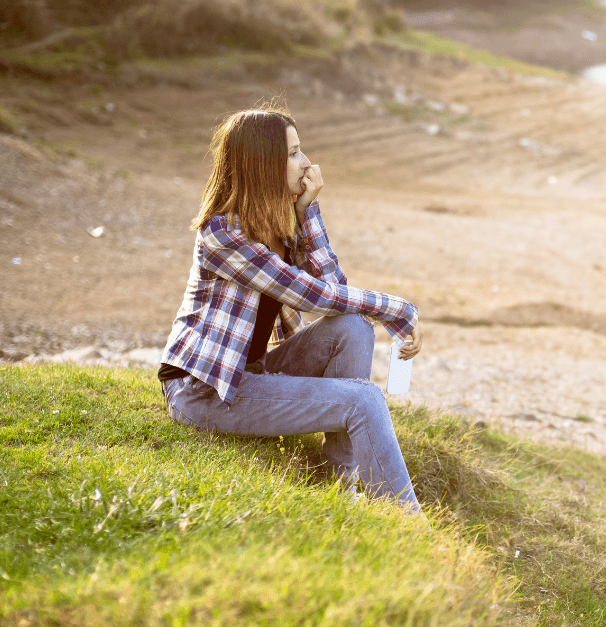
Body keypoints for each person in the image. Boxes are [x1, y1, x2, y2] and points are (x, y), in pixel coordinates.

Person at [158, 107, 424, 515]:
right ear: (263, 164)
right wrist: (398, 311)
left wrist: (305, 212)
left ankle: (339, 487)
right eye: (294, 153)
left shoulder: (274, 224)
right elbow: (309, 294)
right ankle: (412, 533)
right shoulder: (222, 234)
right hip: (204, 391)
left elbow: (336, 290)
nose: (307, 164)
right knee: (364, 400)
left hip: (250, 374)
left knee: (353, 327)